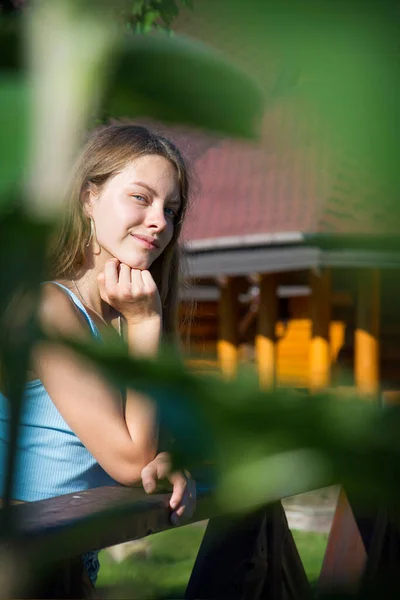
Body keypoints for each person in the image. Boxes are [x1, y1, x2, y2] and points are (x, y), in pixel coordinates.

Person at [0, 123, 196, 596]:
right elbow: (130, 460)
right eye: (141, 198)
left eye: (170, 210)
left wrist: (170, 459)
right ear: (89, 198)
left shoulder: (117, 321)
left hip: (68, 562)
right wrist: (147, 327)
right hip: (19, 563)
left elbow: (148, 442)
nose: (160, 222)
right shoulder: (48, 309)